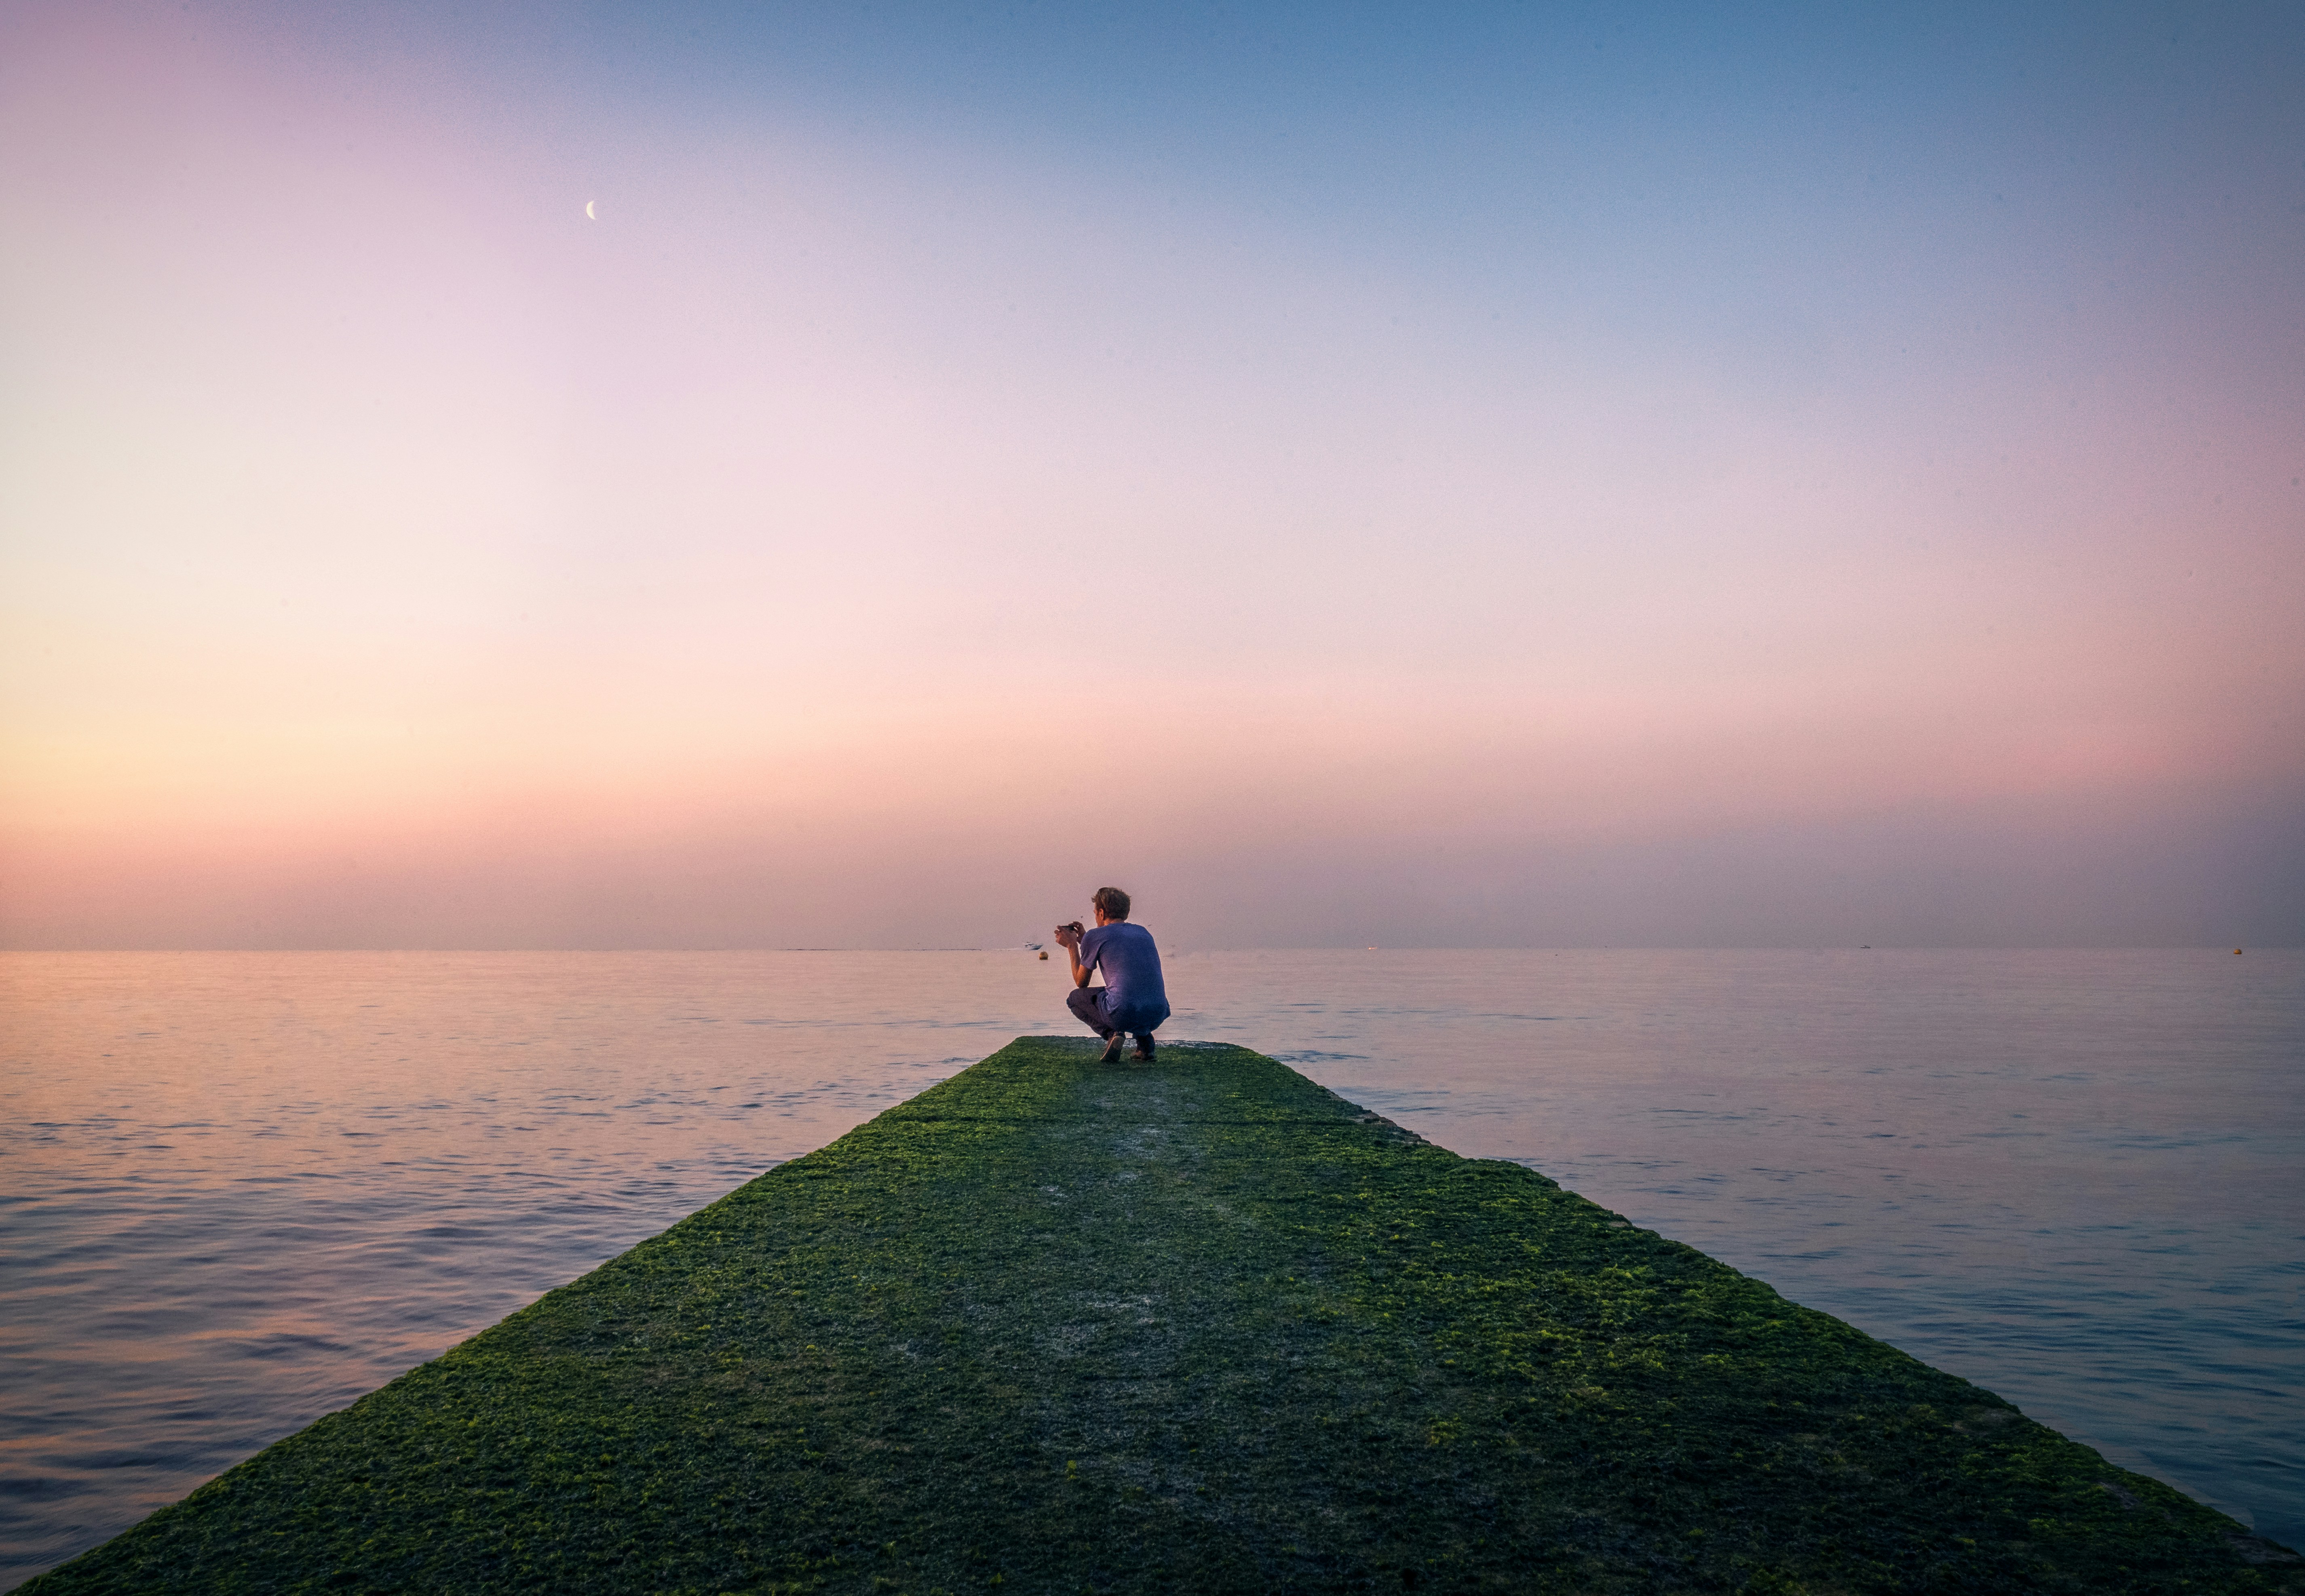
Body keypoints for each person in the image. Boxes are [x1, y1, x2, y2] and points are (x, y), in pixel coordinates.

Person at [1055, 886, 1170, 1063]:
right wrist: (1086, 940)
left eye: (1095, 913)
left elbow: (1081, 982)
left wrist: (1072, 946)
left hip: (1122, 1012)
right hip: (1157, 1012)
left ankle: (1113, 1035)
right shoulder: (1143, 933)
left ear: (1101, 913)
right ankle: (1146, 1044)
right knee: (1132, 992)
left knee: (1075, 999)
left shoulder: (1095, 936)